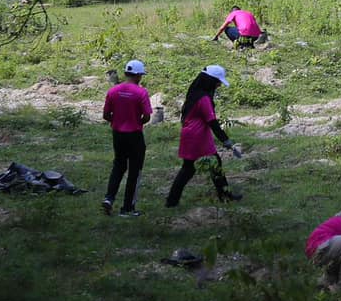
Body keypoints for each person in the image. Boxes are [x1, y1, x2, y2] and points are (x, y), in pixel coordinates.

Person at [164, 65, 242, 207]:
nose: (219, 85)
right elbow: (212, 122)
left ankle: (172, 201)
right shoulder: (204, 98)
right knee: (205, 166)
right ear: (210, 81)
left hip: (191, 133)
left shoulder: (195, 93)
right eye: (217, 81)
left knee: (192, 168)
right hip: (197, 136)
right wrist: (226, 140)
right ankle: (224, 196)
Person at [101, 60, 152, 217]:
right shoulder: (141, 92)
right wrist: (137, 121)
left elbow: (106, 115)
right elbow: (147, 116)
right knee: (134, 171)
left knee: (118, 166)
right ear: (137, 75)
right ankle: (127, 208)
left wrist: (116, 121)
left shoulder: (113, 91)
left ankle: (109, 198)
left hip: (118, 134)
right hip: (134, 135)